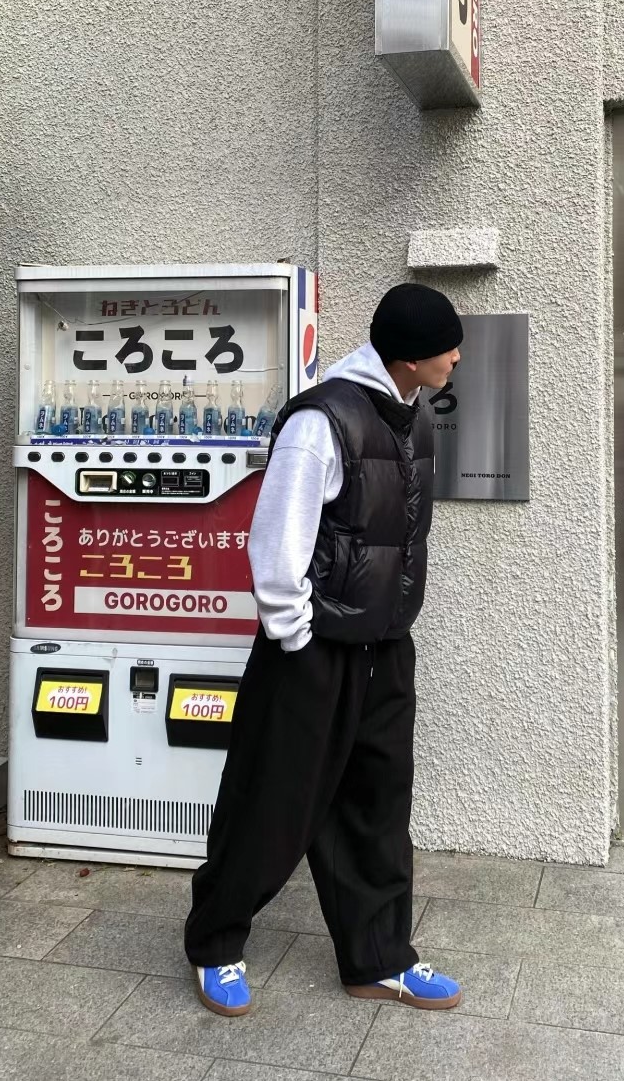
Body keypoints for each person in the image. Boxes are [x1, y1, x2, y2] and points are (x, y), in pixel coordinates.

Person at [184, 282, 463, 1017]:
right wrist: (297, 634)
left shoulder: (415, 415)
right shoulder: (321, 421)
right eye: (448, 346)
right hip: (313, 649)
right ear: (410, 356)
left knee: (378, 805)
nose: (457, 358)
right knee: (271, 801)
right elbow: (277, 542)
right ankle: (214, 942)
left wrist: (391, 623)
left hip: (385, 647)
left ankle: (378, 957)